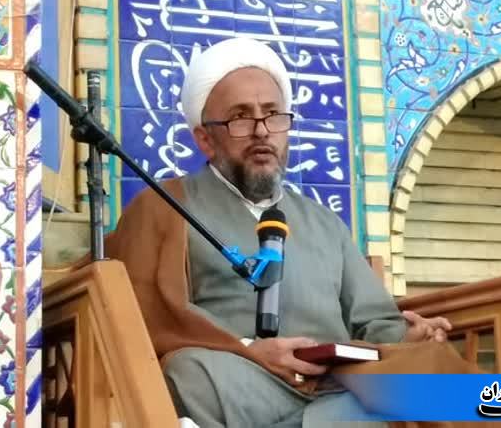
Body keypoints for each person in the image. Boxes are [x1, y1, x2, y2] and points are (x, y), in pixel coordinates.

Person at [105, 37, 453, 428]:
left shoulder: (325, 223)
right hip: (245, 385)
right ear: (205, 138)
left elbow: (374, 321)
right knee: (188, 371)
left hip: (337, 383)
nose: (262, 131)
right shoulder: (166, 206)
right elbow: (146, 316)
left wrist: (409, 335)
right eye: (240, 117)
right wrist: (250, 350)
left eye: (273, 115)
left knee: (441, 378)